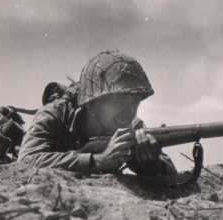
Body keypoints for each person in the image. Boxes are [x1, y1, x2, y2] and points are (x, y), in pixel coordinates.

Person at [18, 50, 176, 176]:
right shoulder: (54, 113)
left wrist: (151, 163)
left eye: (135, 101)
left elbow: (169, 170)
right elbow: (27, 159)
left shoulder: (131, 124)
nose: (129, 110)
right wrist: (98, 161)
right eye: (119, 101)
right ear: (92, 102)